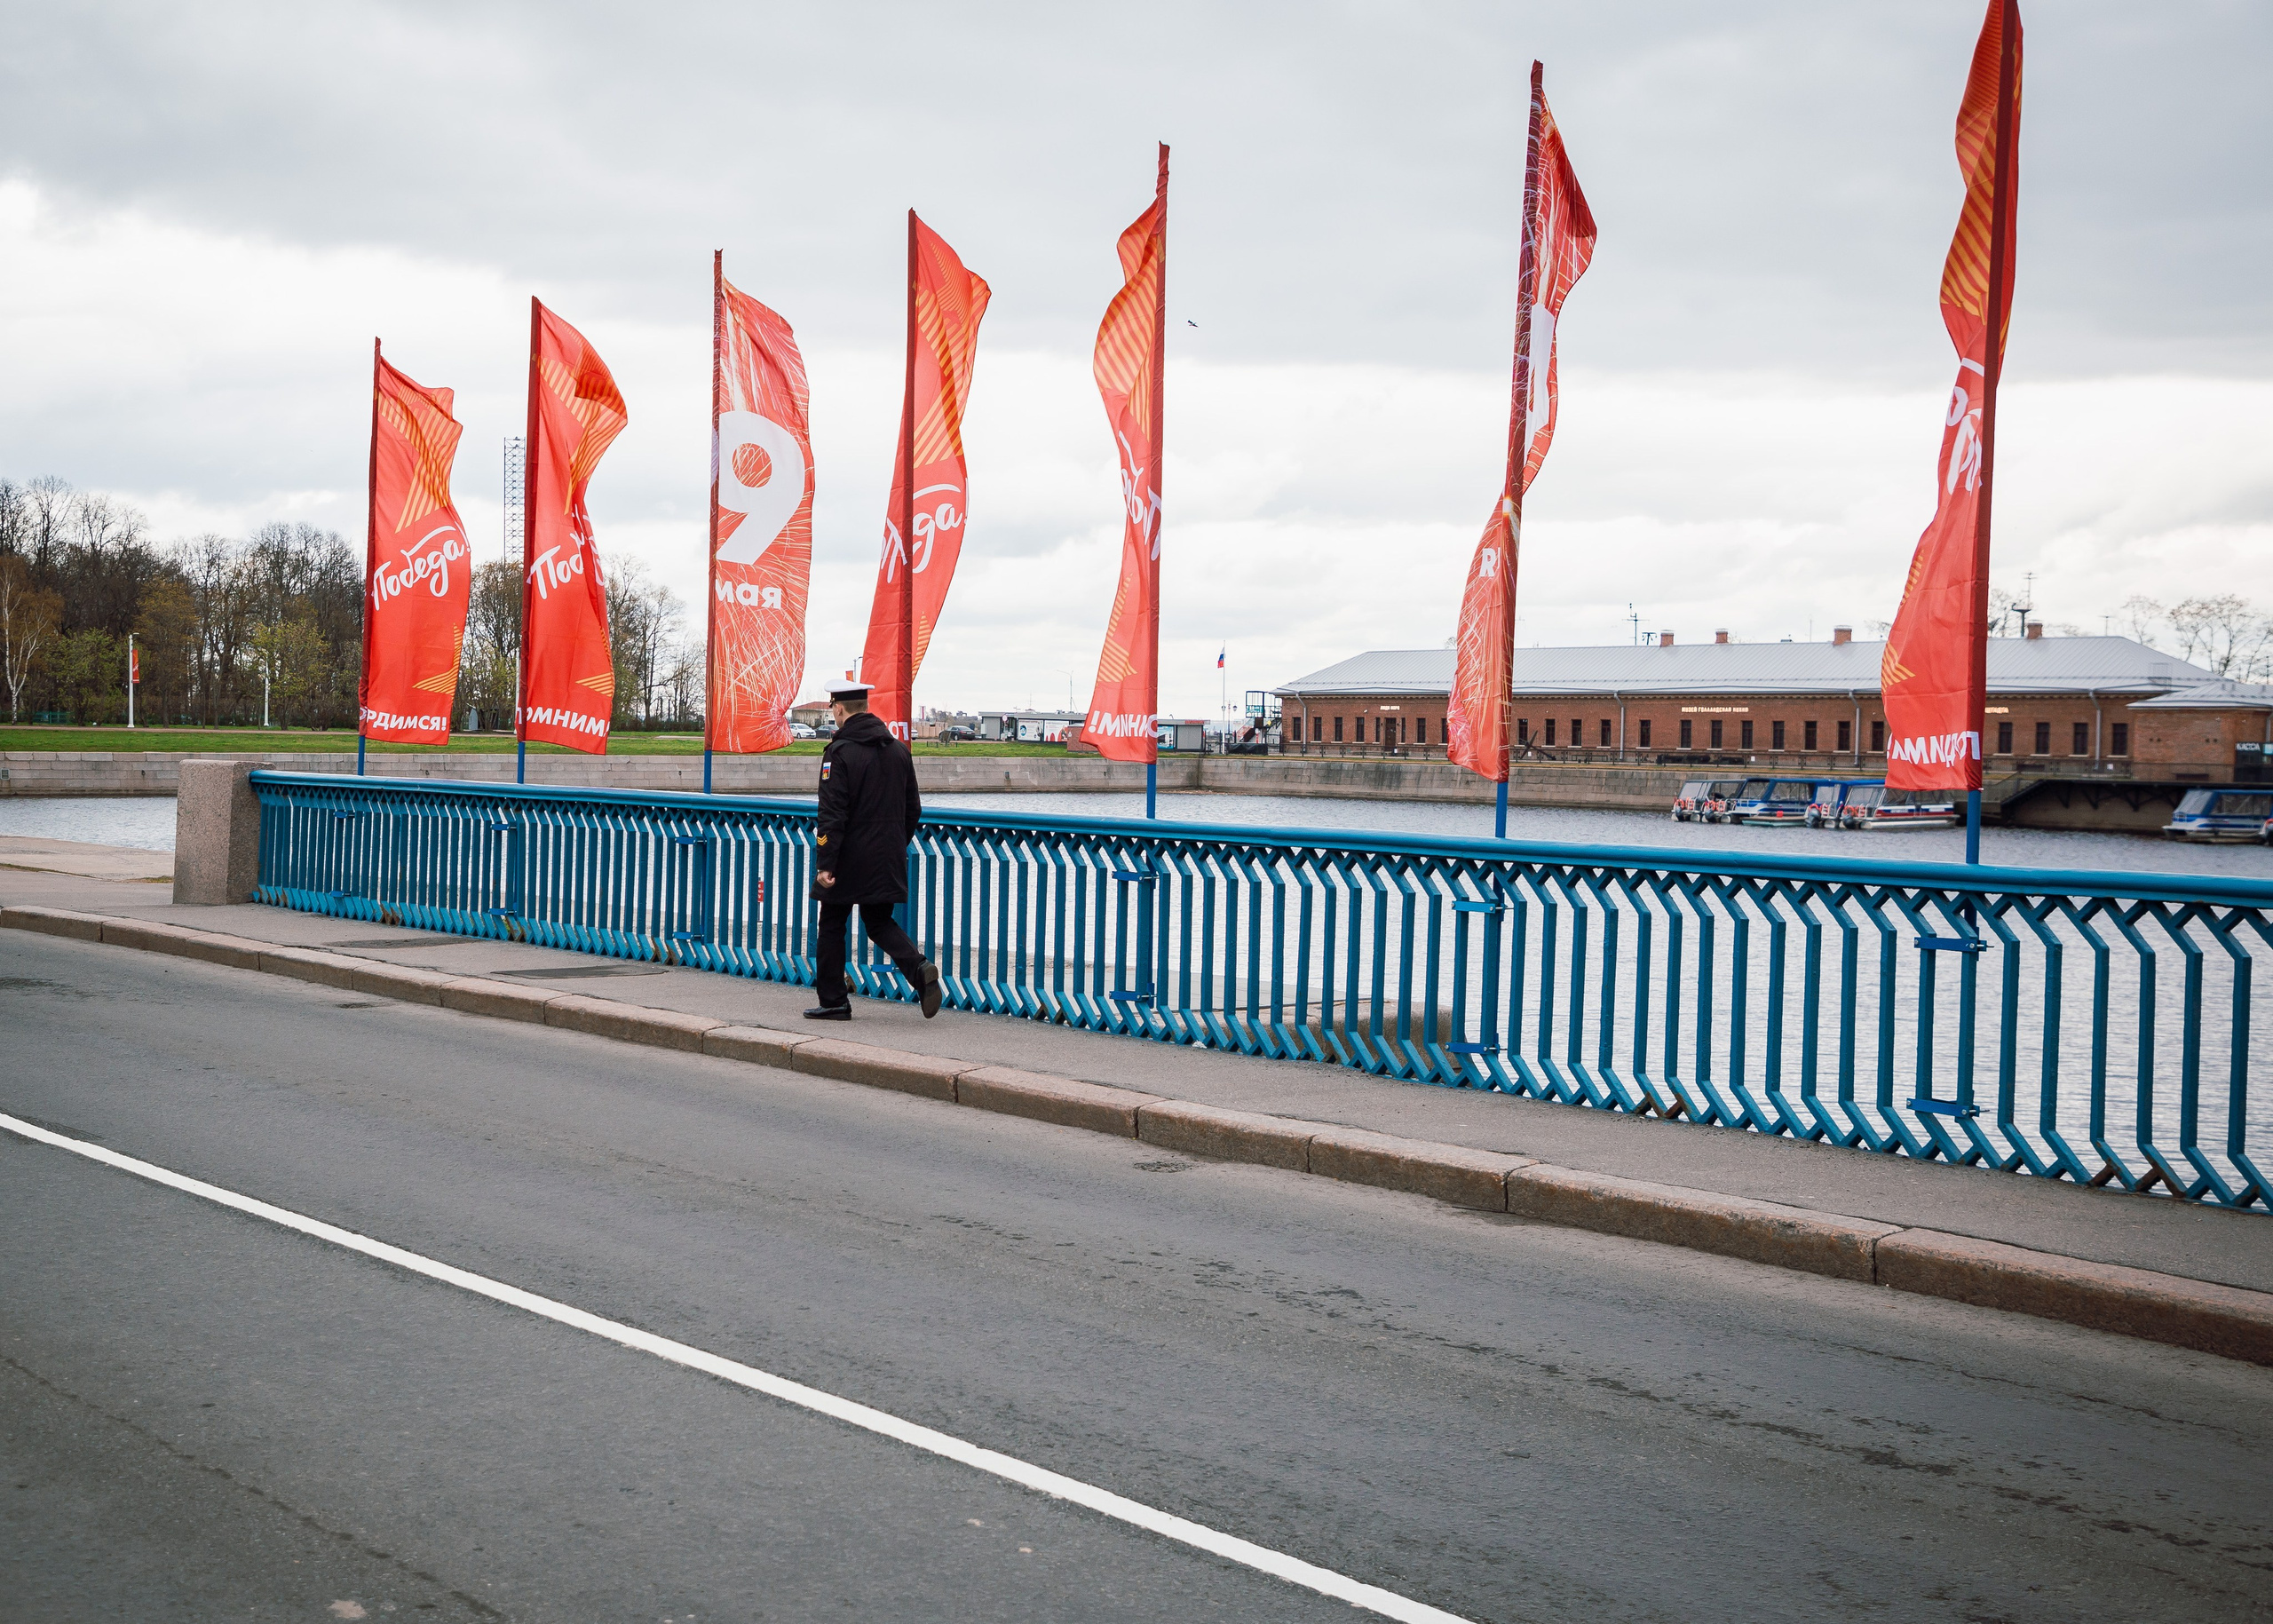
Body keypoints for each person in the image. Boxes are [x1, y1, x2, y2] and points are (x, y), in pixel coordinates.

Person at [804, 683, 942, 1021]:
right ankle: (919, 966)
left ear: (838, 709)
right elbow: (914, 809)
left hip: (848, 857)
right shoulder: (898, 751)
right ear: (865, 706)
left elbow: (832, 813)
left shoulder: (840, 753)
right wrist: (895, 843)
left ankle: (834, 1000)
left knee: (833, 922)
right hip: (887, 856)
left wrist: (826, 862)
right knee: (878, 920)